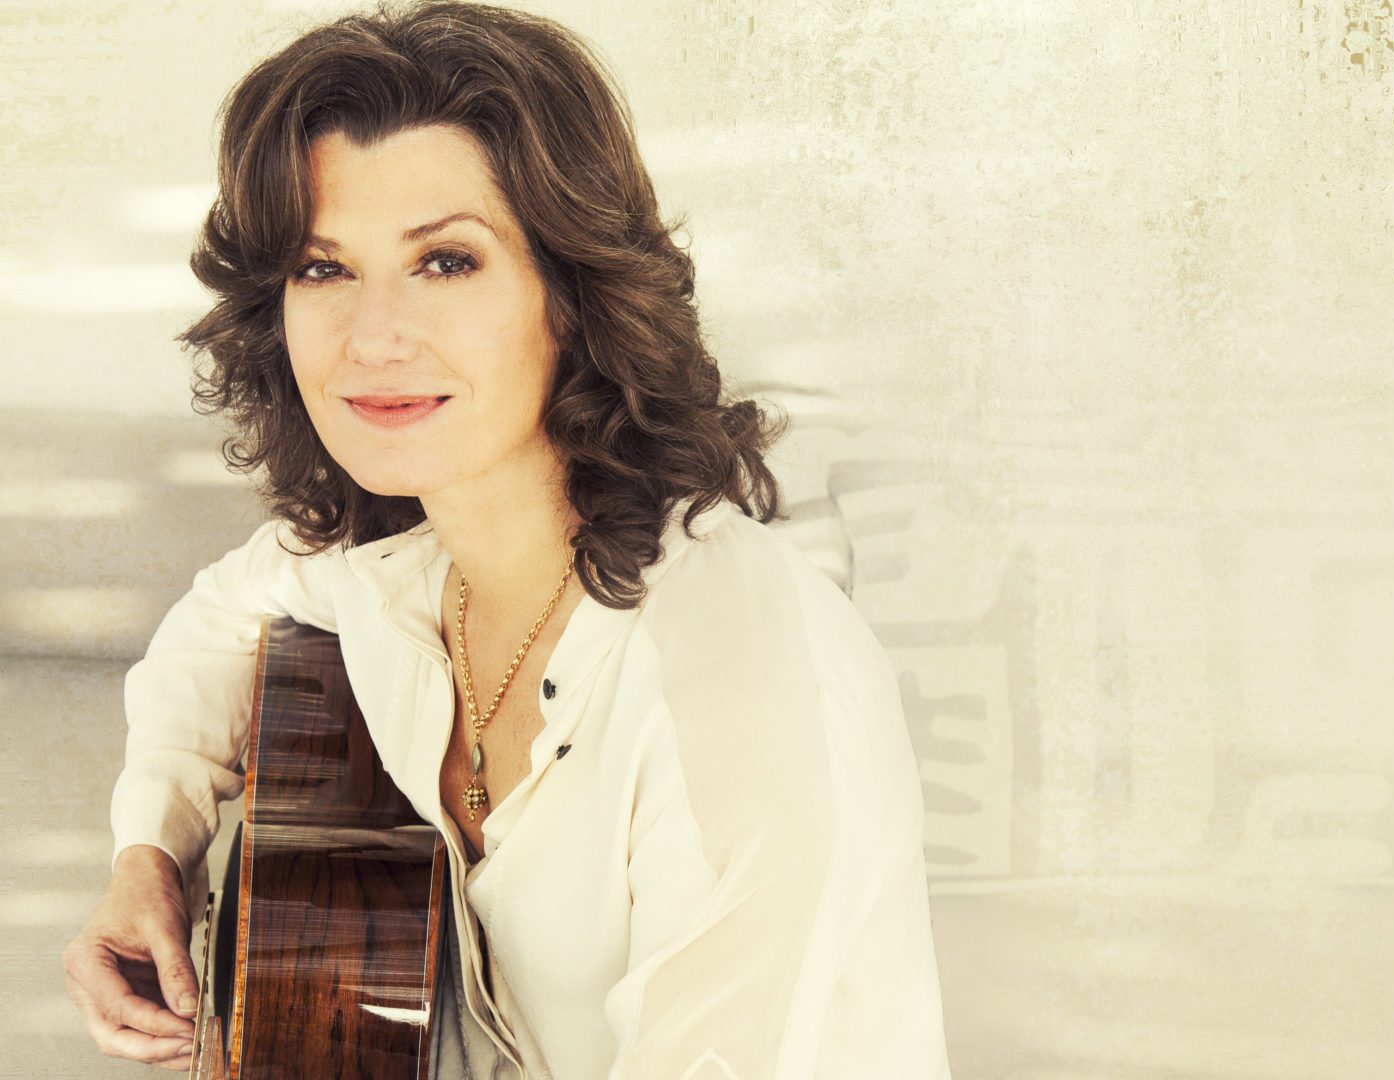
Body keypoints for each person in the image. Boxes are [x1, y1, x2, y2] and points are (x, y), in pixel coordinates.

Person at [60, 2, 951, 1076]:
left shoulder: (736, 680)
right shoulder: (398, 564)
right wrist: (153, 852)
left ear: (569, 296)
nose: (372, 336)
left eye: (444, 262)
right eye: (321, 268)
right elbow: (218, 623)